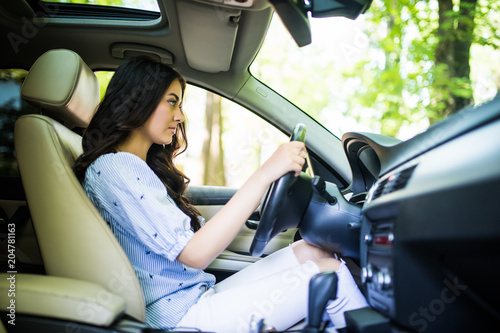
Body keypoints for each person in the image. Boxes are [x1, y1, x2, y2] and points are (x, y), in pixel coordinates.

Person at [74, 56, 367, 332]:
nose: (180, 116)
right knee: (329, 274)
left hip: (195, 295)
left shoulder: (135, 167)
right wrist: (265, 174)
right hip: (179, 317)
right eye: (172, 102)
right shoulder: (115, 166)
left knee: (313, 251)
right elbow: (196, 253)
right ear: (138, 100)